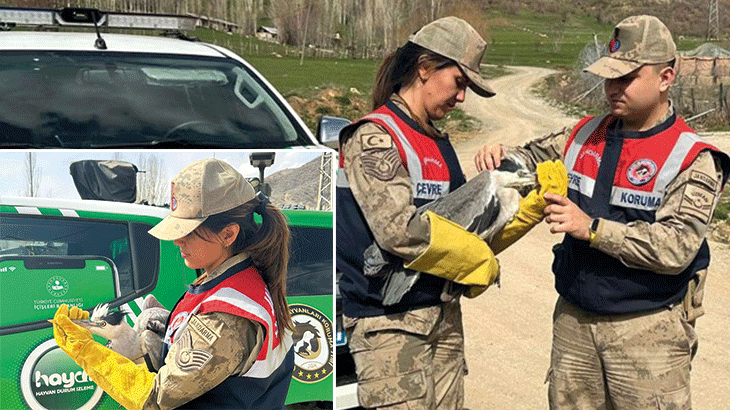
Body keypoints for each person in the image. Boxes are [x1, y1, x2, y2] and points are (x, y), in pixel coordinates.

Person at [475, 15, 730, 409]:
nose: (613, 88)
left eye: (626, 77)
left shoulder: (693, 158)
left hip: (648, 334)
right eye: (609, 77)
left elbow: (676, 247)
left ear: (666, 78)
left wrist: (591, 228)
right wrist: (502, 156)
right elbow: (529, 158)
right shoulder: (582, 134)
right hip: (575, 324)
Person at [337, 16, 566, 409]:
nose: (461, 98)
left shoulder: (438, 143)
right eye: (459, 83)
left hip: (441, 316)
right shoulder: (375, 136)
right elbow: (398, 231)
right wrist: (471, 257)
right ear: (424, 68)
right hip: (390, 328)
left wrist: (522, 213)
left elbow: (463, 234)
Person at [51, 158, 295, 410]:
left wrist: (87, 352)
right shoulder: (238, 279)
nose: (177, 240)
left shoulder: (227, 313)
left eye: (188, 231)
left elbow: (155, 398)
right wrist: (175, 335)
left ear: (228, 234)